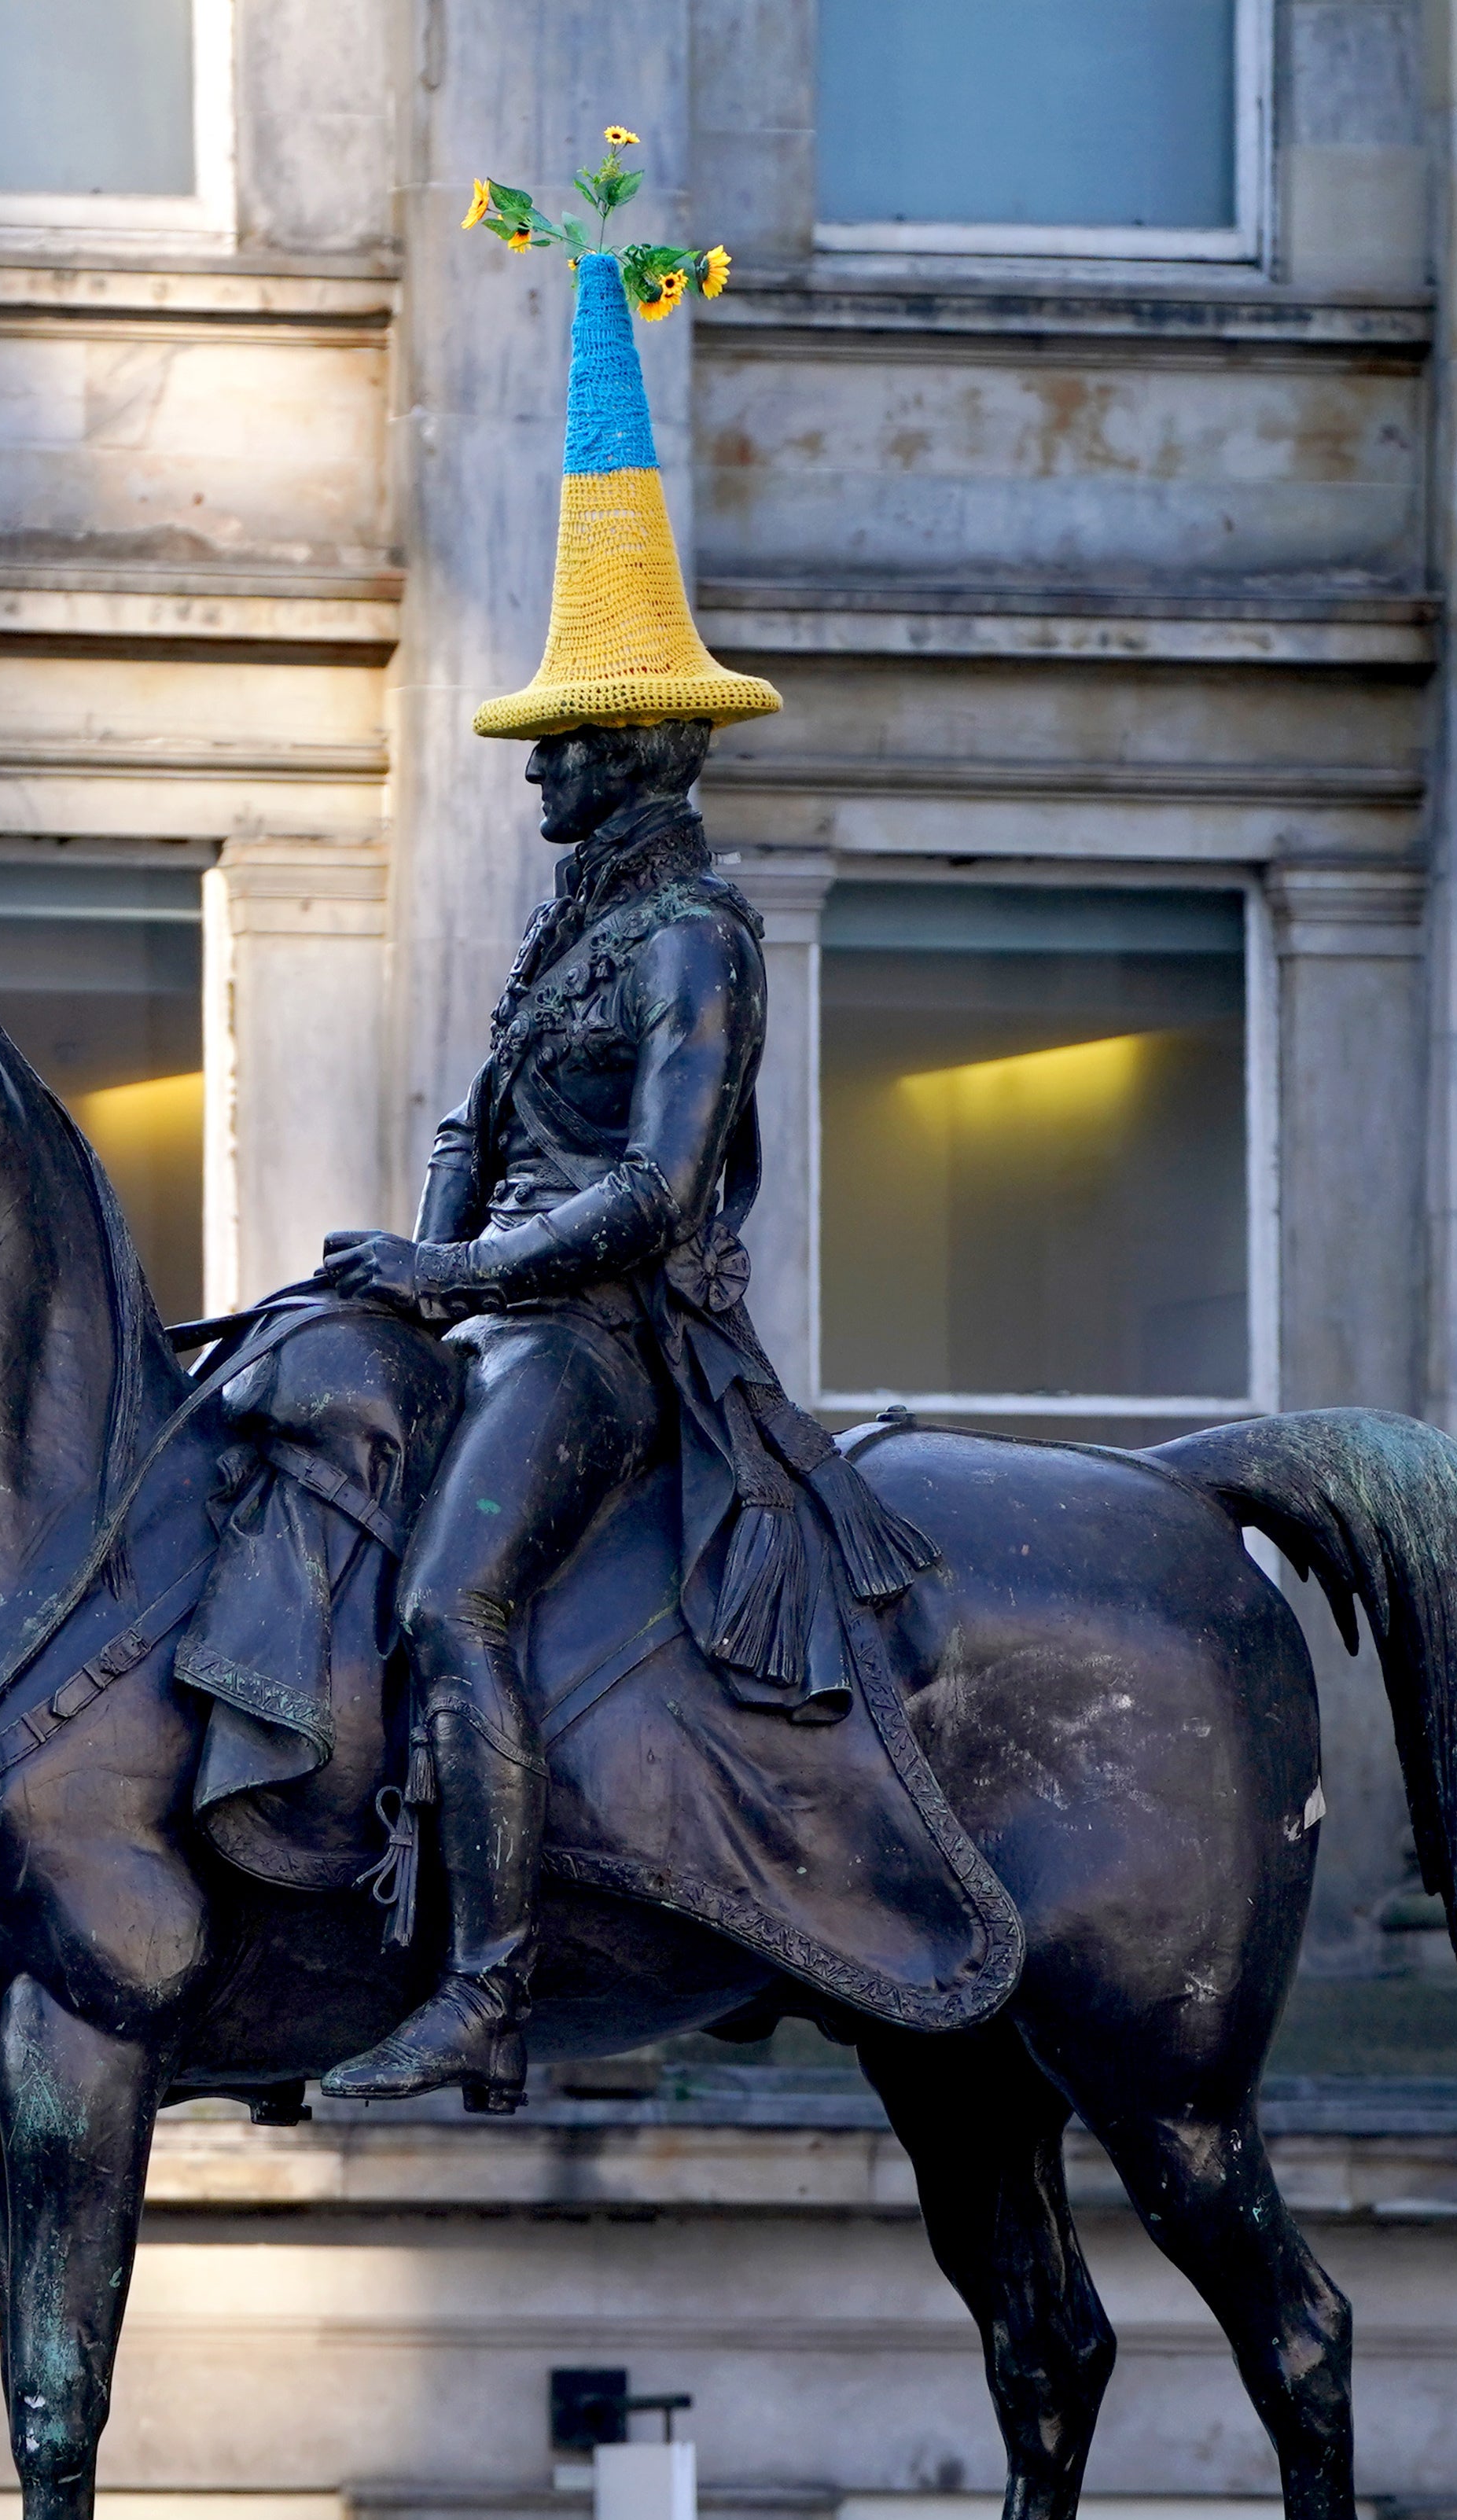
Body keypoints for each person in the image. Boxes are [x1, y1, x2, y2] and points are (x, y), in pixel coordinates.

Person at [314, 169, 930, 2106]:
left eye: (572, 736)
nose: (541, 764)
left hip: (610, 1343)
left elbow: (654, 1192)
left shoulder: (696, 943)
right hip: (491, 1314)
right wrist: (398, 1276)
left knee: (448, 1599)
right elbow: (476, 1122)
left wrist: (467, 1272)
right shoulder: (571, 930)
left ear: (652, 745)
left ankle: (487, 1985)